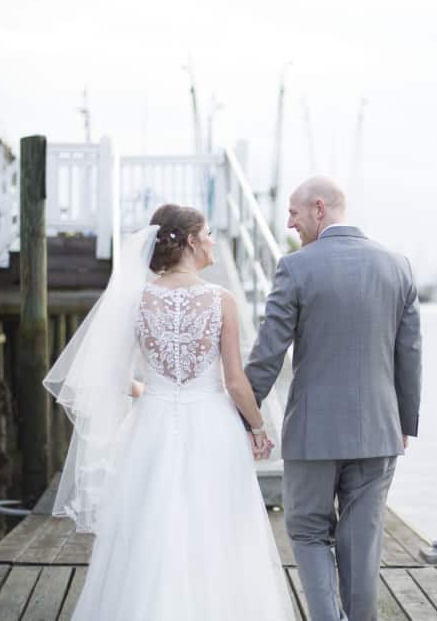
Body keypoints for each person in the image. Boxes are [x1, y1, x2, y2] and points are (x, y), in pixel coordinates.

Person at [44, 204, 294, 620]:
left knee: (151, 526)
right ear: (192, 241)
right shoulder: (221, 300)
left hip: (153, 423)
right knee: (217, 523)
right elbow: (235, 381)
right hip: (212, 424)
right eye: (210, 232)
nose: (214, 240)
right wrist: (257, 426)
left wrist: (153, 391)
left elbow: (110, 371)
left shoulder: (135, 298)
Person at [245, 176, 422, 621]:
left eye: (294, 212)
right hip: (379, 432)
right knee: (363, 544)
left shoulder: (296, 267)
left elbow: (269, 351)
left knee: (306, 533)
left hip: (313, 434)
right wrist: (405, 422)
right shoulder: (398, 266)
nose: (289, 222)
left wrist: (245, 414)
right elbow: (411, 353)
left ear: (319, 208)